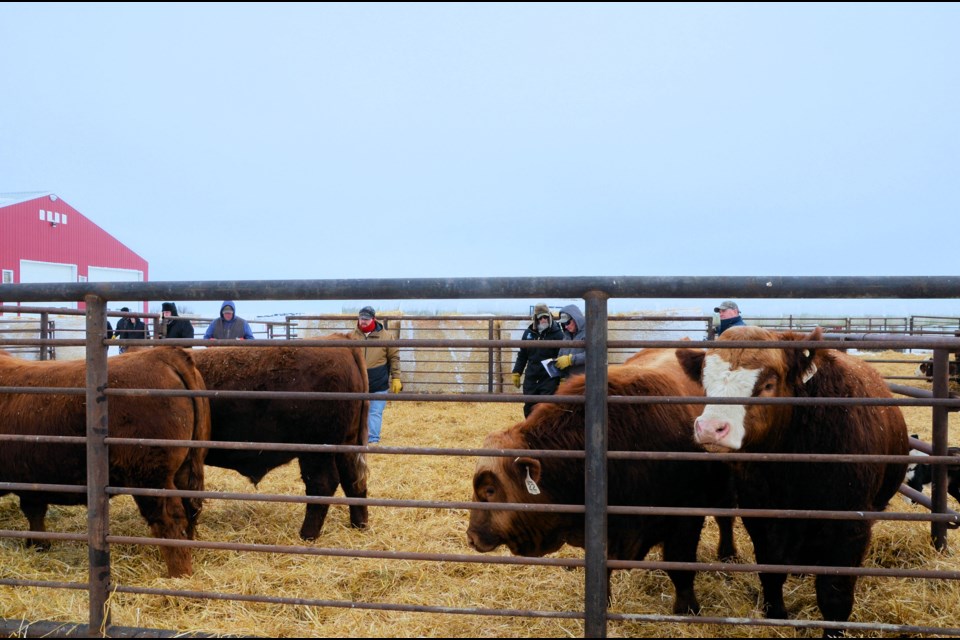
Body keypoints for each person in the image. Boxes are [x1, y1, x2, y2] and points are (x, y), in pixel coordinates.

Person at [350, 306, 401, 445]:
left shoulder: (386, 337)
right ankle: (357, 438)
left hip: (378, 381)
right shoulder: (352, 337)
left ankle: (372, 439)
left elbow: (394, 358)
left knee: (375, 412)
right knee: (356, 411)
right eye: (361, 319)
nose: (363, 322)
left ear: (374, 319)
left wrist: (396, 377)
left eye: (366, 319)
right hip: (358, 382)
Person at [512, 303, 564, 418]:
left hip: (548, 378)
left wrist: (562, 377)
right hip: (531, 376)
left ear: (550, 316)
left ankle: (543, 434)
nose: (543, 319)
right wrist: (517, 371)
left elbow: (561, 355)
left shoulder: (557, 334)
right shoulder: (529, 333)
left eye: (545, 317)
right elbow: (522, 355)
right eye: (540, 317)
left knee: (545, 408)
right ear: (535, 319)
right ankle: (530, 432)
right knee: (529, 407)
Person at [554, 304, 587, 378]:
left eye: (567, 323)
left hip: (584, 380)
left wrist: (570, 360)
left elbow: (594, 355)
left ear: (576, 319)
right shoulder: (566, 336)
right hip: (569, 380)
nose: (566, 326)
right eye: (563, 324)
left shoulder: (589, 332)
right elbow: (561, 354)